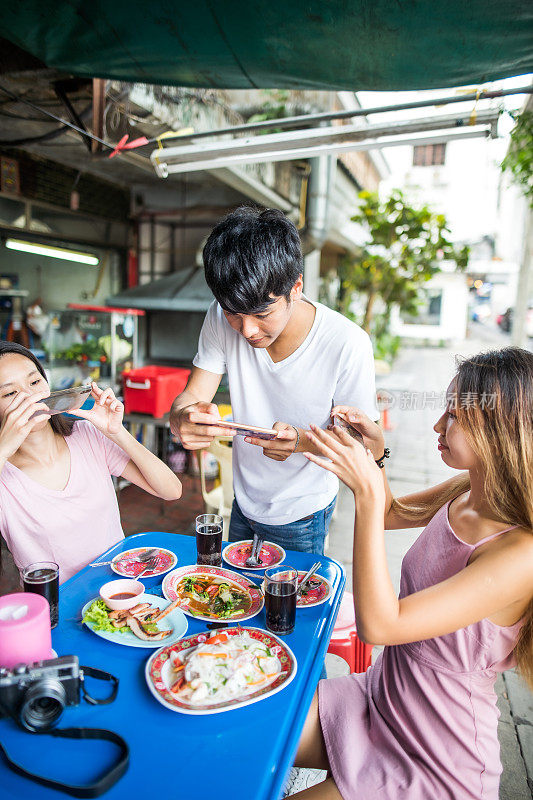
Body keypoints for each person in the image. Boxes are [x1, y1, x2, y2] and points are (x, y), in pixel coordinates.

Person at [291, 347, 533, 800]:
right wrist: (376, 455)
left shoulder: (521, 554)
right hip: (380, 698)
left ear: (501, 432)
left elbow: (382, 626)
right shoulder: (467, 490)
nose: (438, 426)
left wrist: (363, 492)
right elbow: (391, 513)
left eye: (455, 416)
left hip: (436, 756)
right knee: (248, 722)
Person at [170, 207, 378, 554]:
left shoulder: (347, 343)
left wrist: (302, 442)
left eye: (262, 314)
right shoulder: (218, 318)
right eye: (233, 314)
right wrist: (182, 420)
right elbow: (191, 396)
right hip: (243, 501)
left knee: (290, 607)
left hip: (303, 512)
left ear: (296, 287)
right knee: (235, 602)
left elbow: (360, 444)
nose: (247, 331)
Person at [0, 342, 182, 583]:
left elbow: (171, 490)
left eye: (34, 382)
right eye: (9, 393)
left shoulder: (87, 436)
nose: (30, 397)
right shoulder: (4, 475)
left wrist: (117, 433)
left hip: (119, 591)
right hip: (56, 609)